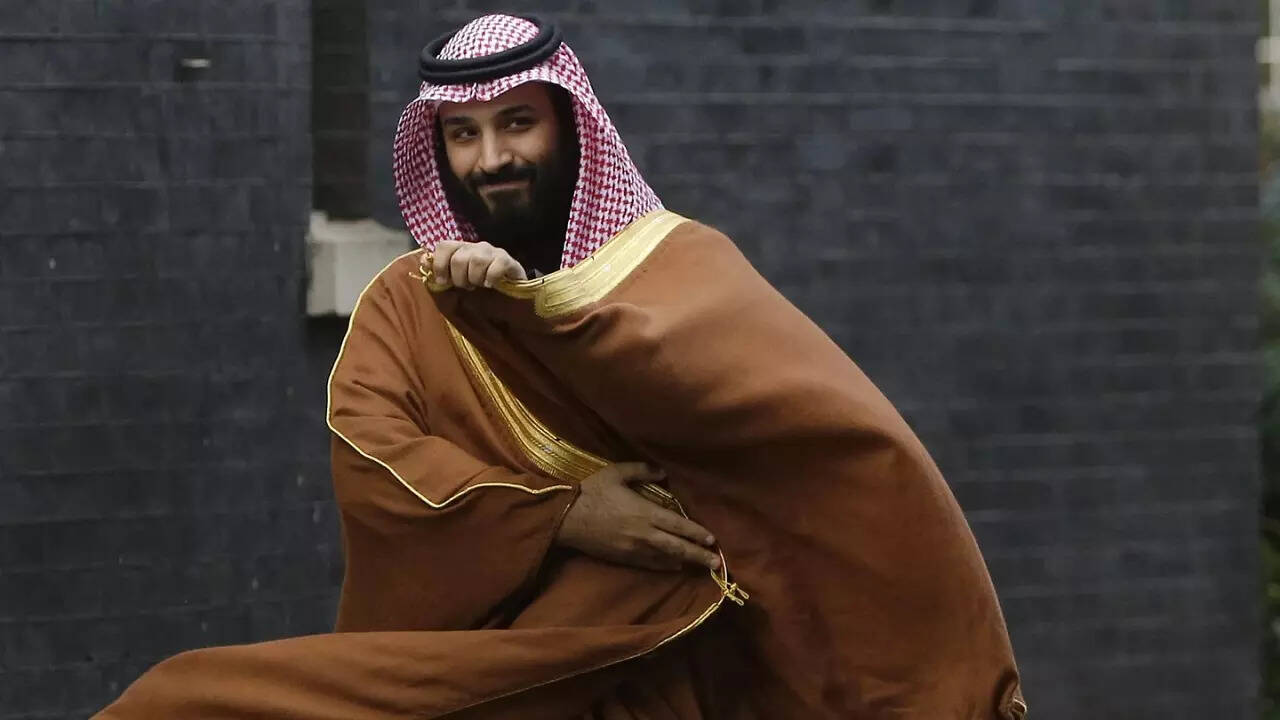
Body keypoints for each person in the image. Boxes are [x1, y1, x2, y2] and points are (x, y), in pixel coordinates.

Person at [97, 14, 1026, 719]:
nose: (492, 158)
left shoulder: (684, 271)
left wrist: (533, 316)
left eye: (517, 124)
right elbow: (372, 450)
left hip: (687, 655)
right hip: (502, 661)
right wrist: (560, 515)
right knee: (184, 702)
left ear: (572, 128)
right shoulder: (409, 301)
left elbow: (827, 450)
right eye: (463, 135)